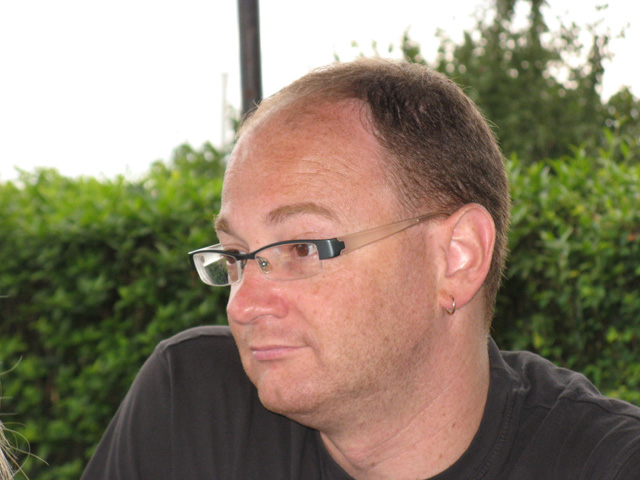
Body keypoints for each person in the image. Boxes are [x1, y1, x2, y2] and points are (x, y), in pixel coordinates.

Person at [81, 58, 640, 479]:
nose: (242, 305)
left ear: (457, 257)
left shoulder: (606, 463)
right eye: (235, 256)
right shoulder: (194, 409)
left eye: (302, 248)